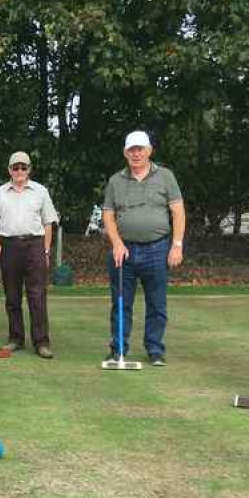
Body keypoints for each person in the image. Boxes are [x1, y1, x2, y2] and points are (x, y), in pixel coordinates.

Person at [101, 131, 186, 366]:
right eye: (131, 150)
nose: (136, 153)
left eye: (140, 149)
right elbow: (108, 215)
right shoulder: (116, 181)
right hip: (124, 250)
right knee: (121, 302)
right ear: (125, 153)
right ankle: (118, 348)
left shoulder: (166, 176)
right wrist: (116, 243)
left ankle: (155, 349)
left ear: (149, 151)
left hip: (157, 248)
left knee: (157, 303)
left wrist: (176, 245)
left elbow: (178, 212)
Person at [0, 151, 60, 359]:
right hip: (9, 246)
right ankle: (16, 338)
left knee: (37, 296)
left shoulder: (41, 191)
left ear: (29, 169)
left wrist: (46, 249)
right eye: (15, 168)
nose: (19, 171)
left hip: (35, 244)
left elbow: (49, 222)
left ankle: (41, 341)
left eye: (23, 167)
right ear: (9, 170)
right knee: (12, 296)